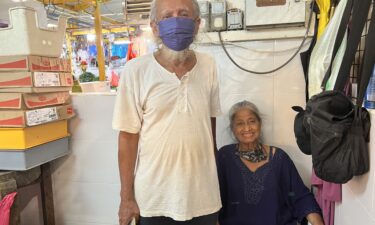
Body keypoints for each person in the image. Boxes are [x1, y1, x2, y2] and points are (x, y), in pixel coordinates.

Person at [112, 0, 222, 225]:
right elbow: (127, 138)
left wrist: (214, 177)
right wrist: (126, 198)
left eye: (183, 14)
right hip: (154, 199)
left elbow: (209, 126)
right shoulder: (136, 71)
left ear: (197, 23)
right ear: (154, 27)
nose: (176, 21)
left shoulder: (209, 65)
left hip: (203, 197)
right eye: (167, 16)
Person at [217, 101, 324, 225]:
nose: (247, 128)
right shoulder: (225, 157)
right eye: (240, 123)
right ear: (232, 129)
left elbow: (301, 196)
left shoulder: (279, 158)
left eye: (252, 121)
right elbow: (213, 199)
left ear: (260, 123)